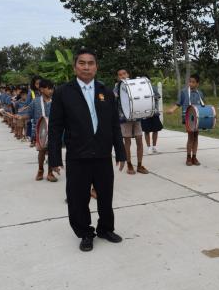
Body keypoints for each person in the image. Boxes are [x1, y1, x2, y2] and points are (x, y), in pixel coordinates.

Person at [48, 48, 127, 252]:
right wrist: (54, 157)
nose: (86, 67)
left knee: (105, 196)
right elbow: (55, 128)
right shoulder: (63, 93)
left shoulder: (106, 92)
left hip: (102, 155)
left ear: (96, 67)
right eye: (82, 63)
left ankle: (105, 229)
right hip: (77, 156)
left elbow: (113, 125)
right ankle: (85, 233)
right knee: (78, 199)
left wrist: (120, 152)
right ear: (75, 67)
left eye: (90, 63)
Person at [114, 69, 149, 175]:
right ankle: (129, 164)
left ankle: (139, 165)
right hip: (124, 118)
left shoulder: (133, 84)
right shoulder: (117, 87)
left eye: (124, 74)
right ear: (117, 77)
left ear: (128, 74)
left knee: (139, 140)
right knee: (127, 142)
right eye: (120, 75)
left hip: (136, 116)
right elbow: (114, 96)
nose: (122, 76)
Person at [167, 74, 204, 166]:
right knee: (191, 137)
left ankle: (194, 157)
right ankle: (188, 157)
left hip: (197, 119)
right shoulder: (184, 92)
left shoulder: (200, 94)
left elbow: (202, 106)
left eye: (193, 82)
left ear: (197, 84)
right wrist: (172, 109)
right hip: (188, 118)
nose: (190, 83)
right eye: (190, 81)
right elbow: (178, 104)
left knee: (196, 137)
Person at [29, 79, 57, 182]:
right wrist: (20, 117)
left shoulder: (56, 101)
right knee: (41, 151)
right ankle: (40, 169)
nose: (51, 91)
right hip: (40, 131)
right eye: (48, 88)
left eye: (52, 88)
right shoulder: (35, 101)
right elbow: (29, 114)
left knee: (51, 151)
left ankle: (50, 173)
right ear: (41, 89)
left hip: (54, 130)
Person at [141, 76, 163, 154]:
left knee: (155, 130)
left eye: (146, 80)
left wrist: (152, 96)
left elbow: (158, 96)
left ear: (149, 81)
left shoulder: (153, 88)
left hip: (154, 112)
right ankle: (148, 147)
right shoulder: (139, 90)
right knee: (146, 131)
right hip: (144, 113)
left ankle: (154, 146)